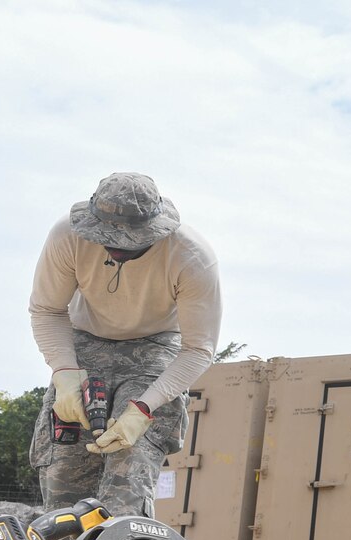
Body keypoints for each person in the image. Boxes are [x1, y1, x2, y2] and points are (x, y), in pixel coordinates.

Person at [28, 172, 221, 521]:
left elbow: (197, 348)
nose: (116, 245)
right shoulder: (66, 237)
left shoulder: (192, 257)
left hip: (155, 346)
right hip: (84, 340)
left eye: (129, 239)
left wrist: (145, 408)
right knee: (63, 474)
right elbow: (47, 310)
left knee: (128, 474)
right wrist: (65, 373)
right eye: (107, 236)